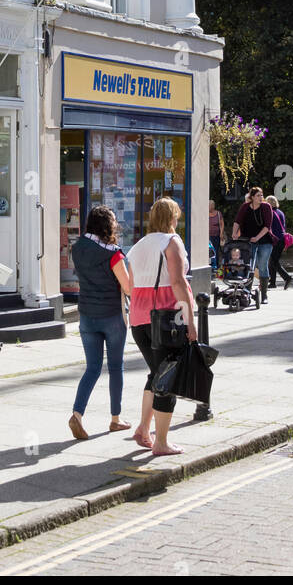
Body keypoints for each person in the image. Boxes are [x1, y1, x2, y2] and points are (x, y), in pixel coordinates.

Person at [126, 196, 198, 457]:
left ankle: (144, 429)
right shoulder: (171, 241)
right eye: (176, 216)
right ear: (171, 218)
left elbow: (131, 287)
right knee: (169, 379)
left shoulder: (138, 246)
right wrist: (190, 321)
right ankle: (161, 442)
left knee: (156, 373)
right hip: (166, 318)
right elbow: (178, 282)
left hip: (139, 318)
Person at [69, 205, 133, 440]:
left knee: (92, 368)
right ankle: (116, 419)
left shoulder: (78, 248)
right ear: (107, 226)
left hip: (87, 315)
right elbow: (128, 287)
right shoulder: (113, 254)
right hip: (112, 316)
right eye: (114, 222)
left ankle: (77, 414)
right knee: (115, 367)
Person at [233, 185, 274, 303]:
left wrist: (257, 237)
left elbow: (267, 226)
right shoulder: (245, 207)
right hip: (248, 241)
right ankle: (247, 292)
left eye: (262, 195)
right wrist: (234, 233)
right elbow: (237, 221)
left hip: (265, 241)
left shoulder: (266, 207)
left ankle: (264, 295)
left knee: (262, 266)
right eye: (258, 195)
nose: (261, 197)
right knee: (249, 265)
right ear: (252, 197)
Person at [267, 195, 293, 289]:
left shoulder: (270, 213)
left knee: (274, 261)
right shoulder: (280, 212)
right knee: (272, 260)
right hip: (282, 239)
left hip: (275, 239)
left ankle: (287, 278)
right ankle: (272, 283)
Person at [208, 198, 225, 272]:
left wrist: (221, 233)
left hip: (217, 235)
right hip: (208, 236)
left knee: (216, 250)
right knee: (210, 250)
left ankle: (216, 266)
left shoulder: (218, 213)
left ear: (213, 206)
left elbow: (222, 224)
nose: (208, 207)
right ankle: (210, 265)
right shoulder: (205, 213)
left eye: (210, 205)